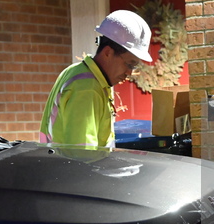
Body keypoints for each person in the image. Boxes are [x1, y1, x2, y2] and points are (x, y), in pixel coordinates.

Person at [40, 10, 152, 147]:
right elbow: (83, 154)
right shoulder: (87, 88)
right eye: (129, 64)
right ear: (108, 52)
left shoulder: (78, 72)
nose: (129, 72)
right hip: (74, 167)